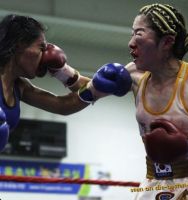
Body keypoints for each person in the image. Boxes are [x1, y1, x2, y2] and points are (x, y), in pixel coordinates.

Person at [83, 3, 188, 199]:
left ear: (167, 42)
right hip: (153, 183)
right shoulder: (134, 75)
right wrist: (62, 72)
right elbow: (78, 98)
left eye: (139, 34)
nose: (130, 42)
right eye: (132, 33)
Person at [0, 14, 132, 152]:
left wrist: (64, 73)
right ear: (20, 45)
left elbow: (61, 105)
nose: (45, 54)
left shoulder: (19, 86)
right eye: (41, 47)